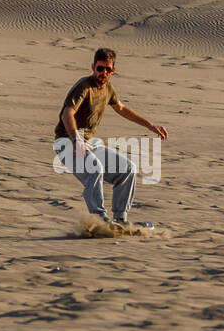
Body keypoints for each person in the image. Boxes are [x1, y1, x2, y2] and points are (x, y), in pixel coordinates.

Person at [53, 47, 167, 228]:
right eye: (100, 68)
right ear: (93, 67)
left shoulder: (108, 88)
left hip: (89, 143)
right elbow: (67, 114)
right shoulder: (84, 86)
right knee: (95, 168)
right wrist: (76, 140)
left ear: (113, 70)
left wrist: (150, 125)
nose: (103, 73)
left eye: (108, 69)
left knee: (128, 169)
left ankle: (120, 220)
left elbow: (121, 108)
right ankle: (98, 218)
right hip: (67, 143)